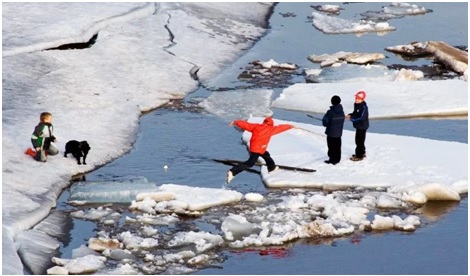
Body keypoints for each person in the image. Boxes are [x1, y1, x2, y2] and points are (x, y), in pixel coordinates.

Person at [227, 117, 296, 184]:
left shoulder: (256, 126)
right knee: (250, 163)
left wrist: (235, 122)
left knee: (266, 155)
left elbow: (245, 124)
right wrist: (291, 126)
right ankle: (233, 171)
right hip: (258, 149)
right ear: (271, 124)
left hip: (256, 147)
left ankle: (271, 168)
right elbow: (281, 127)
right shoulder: (271, 129)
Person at [346, 91, 369, 161]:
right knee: (359, 141)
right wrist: (350, 115)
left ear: (362, 99)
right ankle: (362, 152)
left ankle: (359, 156)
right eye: (356, 98)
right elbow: (355, 113)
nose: (356, 100)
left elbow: (361, 118)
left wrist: (351, 119)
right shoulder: (356, 104)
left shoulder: (364, 107)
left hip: (362, 126)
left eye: (358, 99)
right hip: (358, 126)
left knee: (359, 141)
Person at [322, 95, 345, 165]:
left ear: (332, 102)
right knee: (338, 146)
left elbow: (325, 122)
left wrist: (327, 123)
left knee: (331, 147)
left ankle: (332, 159)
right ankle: (337, 159)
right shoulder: (342, 111)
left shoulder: (330, 112)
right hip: (338, 133)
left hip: (331, 133)